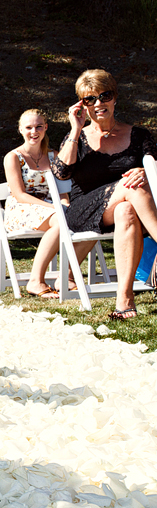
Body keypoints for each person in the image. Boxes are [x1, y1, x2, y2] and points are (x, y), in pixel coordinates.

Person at [53, 69, 157, 320]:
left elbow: (155, 167)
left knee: (126, 207)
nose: (99, 103)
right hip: (83, 210)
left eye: (105, 95)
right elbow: (62, 173)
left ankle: (124, 300)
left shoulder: (139, 135)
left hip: (132, 212)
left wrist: (146, 170)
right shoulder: (75, 137)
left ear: (115, 98)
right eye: (90, 99)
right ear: (82, 104)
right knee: (131, 186)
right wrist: (76, 129)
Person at [3, 109, 70, 298]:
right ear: (20, 130)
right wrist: (56, 208)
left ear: (46, 127)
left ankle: (69, 277)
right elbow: (19, 195)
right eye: (29, 127)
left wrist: (65, 205)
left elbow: (62, 192)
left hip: (52, 207)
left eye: (39, 126)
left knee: (76, 217)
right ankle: (36, 280)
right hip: (21, 209)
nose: (34, 131)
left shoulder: (53, 155)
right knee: (60, 219)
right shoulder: (13, 157)